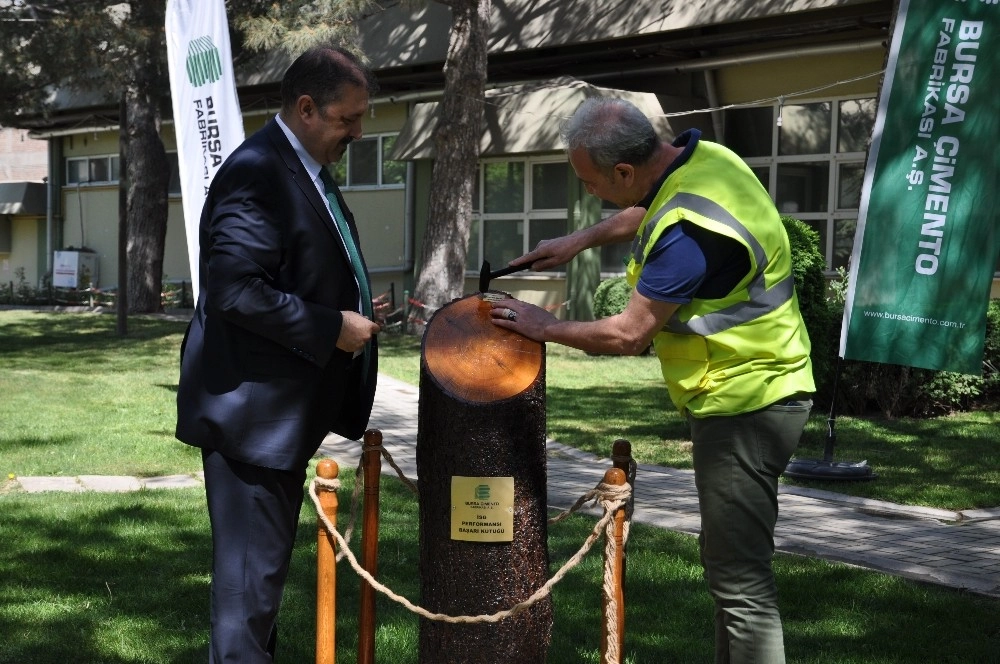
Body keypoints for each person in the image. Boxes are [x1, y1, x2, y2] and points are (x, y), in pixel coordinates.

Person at [490, 98, 814, 664]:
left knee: (741, 586)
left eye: (591, 182)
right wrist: (580, 240)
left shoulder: (685, 240)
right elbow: (653, 205)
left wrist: (547, 326)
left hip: (744, 402)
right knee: (728, 570)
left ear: (623, 171)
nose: (590, 193)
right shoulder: (706, 161)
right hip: (763, 389)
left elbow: (628, 334)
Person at [175, 45, 380, 663]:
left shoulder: (303, 167)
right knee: (246, 600)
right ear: (307, 107)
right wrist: (331, 327)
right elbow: (234, 289)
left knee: (258, 595)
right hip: (251, 422)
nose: (358, 132)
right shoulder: (258, 171)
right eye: (348, 120)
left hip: (278, 420)